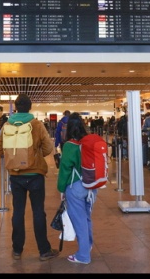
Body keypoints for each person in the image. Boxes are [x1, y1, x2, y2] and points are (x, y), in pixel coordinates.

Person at [0, 94, 59, 262]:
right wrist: (36, 156)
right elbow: (48, 147)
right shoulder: (36, 124)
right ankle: (44, 251)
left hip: (16, 175)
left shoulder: (7, 124)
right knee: (38, 211)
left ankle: (17, 249)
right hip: (35, 174)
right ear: (30, 107)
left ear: (15, 107)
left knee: (18, 211)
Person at [57, 112, 95, 265]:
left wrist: (61, 188)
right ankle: (88, 245)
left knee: (78, 220)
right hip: (92, 186)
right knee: (86, 218)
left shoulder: (70, 145)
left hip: (76, 186)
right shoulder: (89, 142)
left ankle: (83, 255)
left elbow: (65, 169)